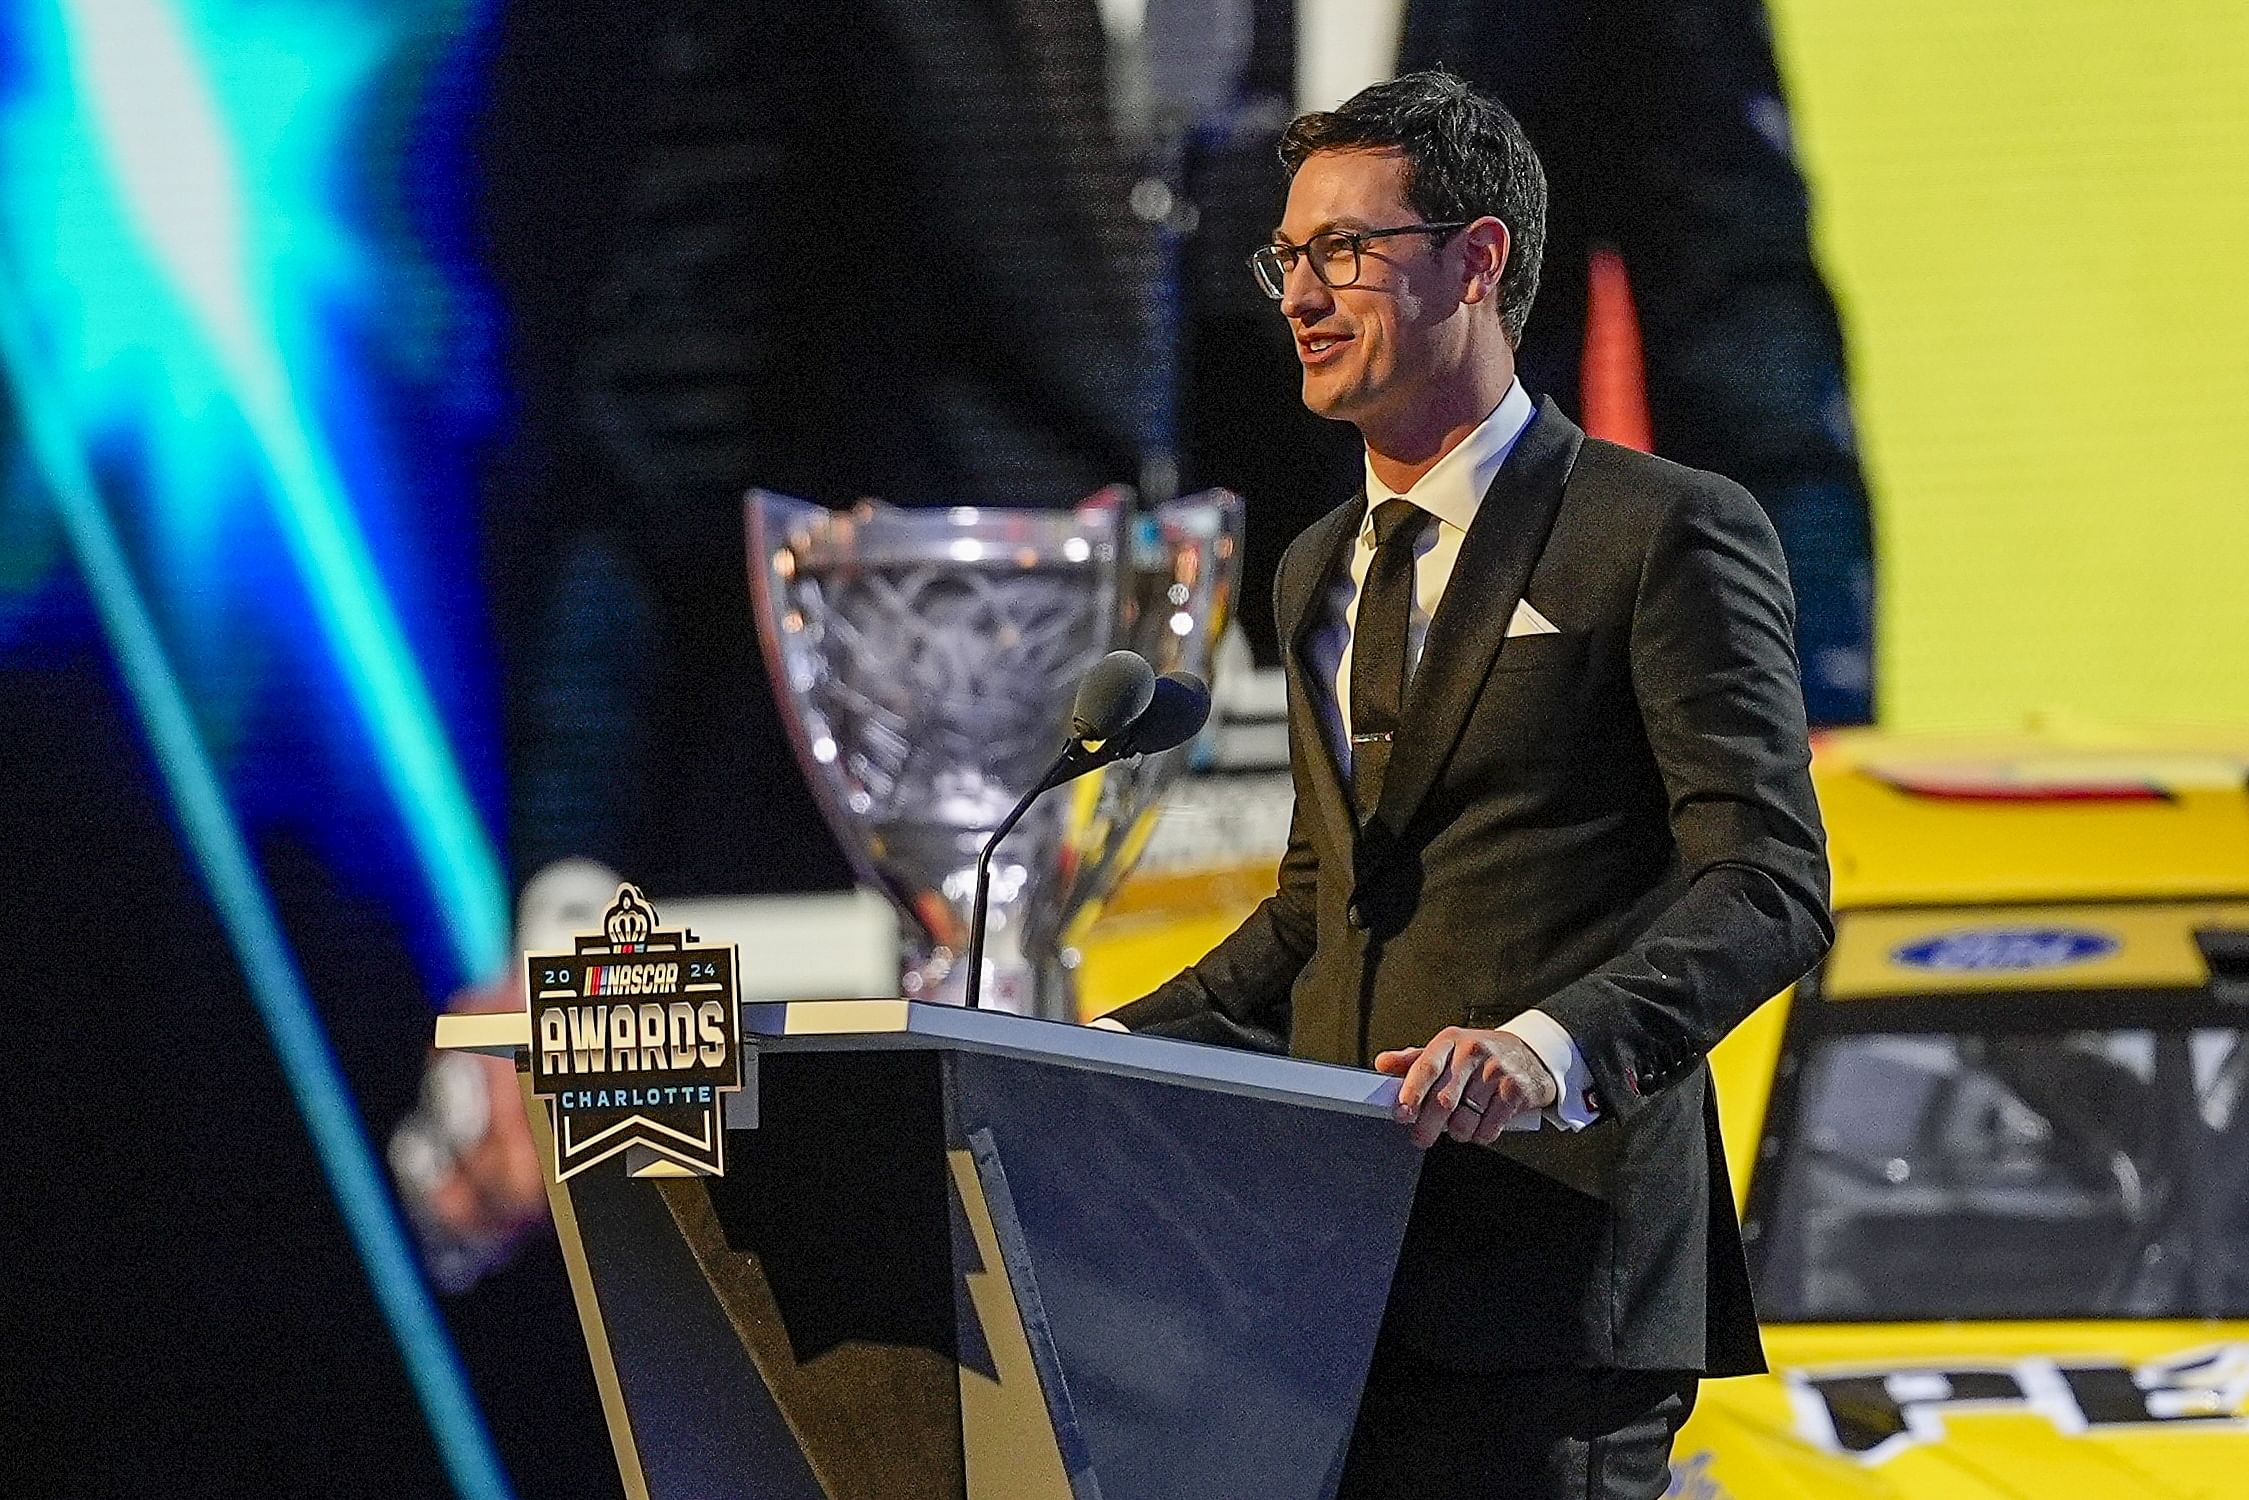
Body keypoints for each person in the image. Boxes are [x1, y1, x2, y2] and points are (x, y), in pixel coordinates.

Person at [1103, 72, 1832, 1498]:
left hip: (1555, 1283)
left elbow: (1767, 886)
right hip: (1324, 1284)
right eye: (1285, 259)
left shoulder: (1661, 530)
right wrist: (1099, 1047)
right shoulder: (1313, 564)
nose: (1298, 296)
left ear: (1477, 258)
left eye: (1341, 252)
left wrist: (1542, 1050)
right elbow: (1324, 909)